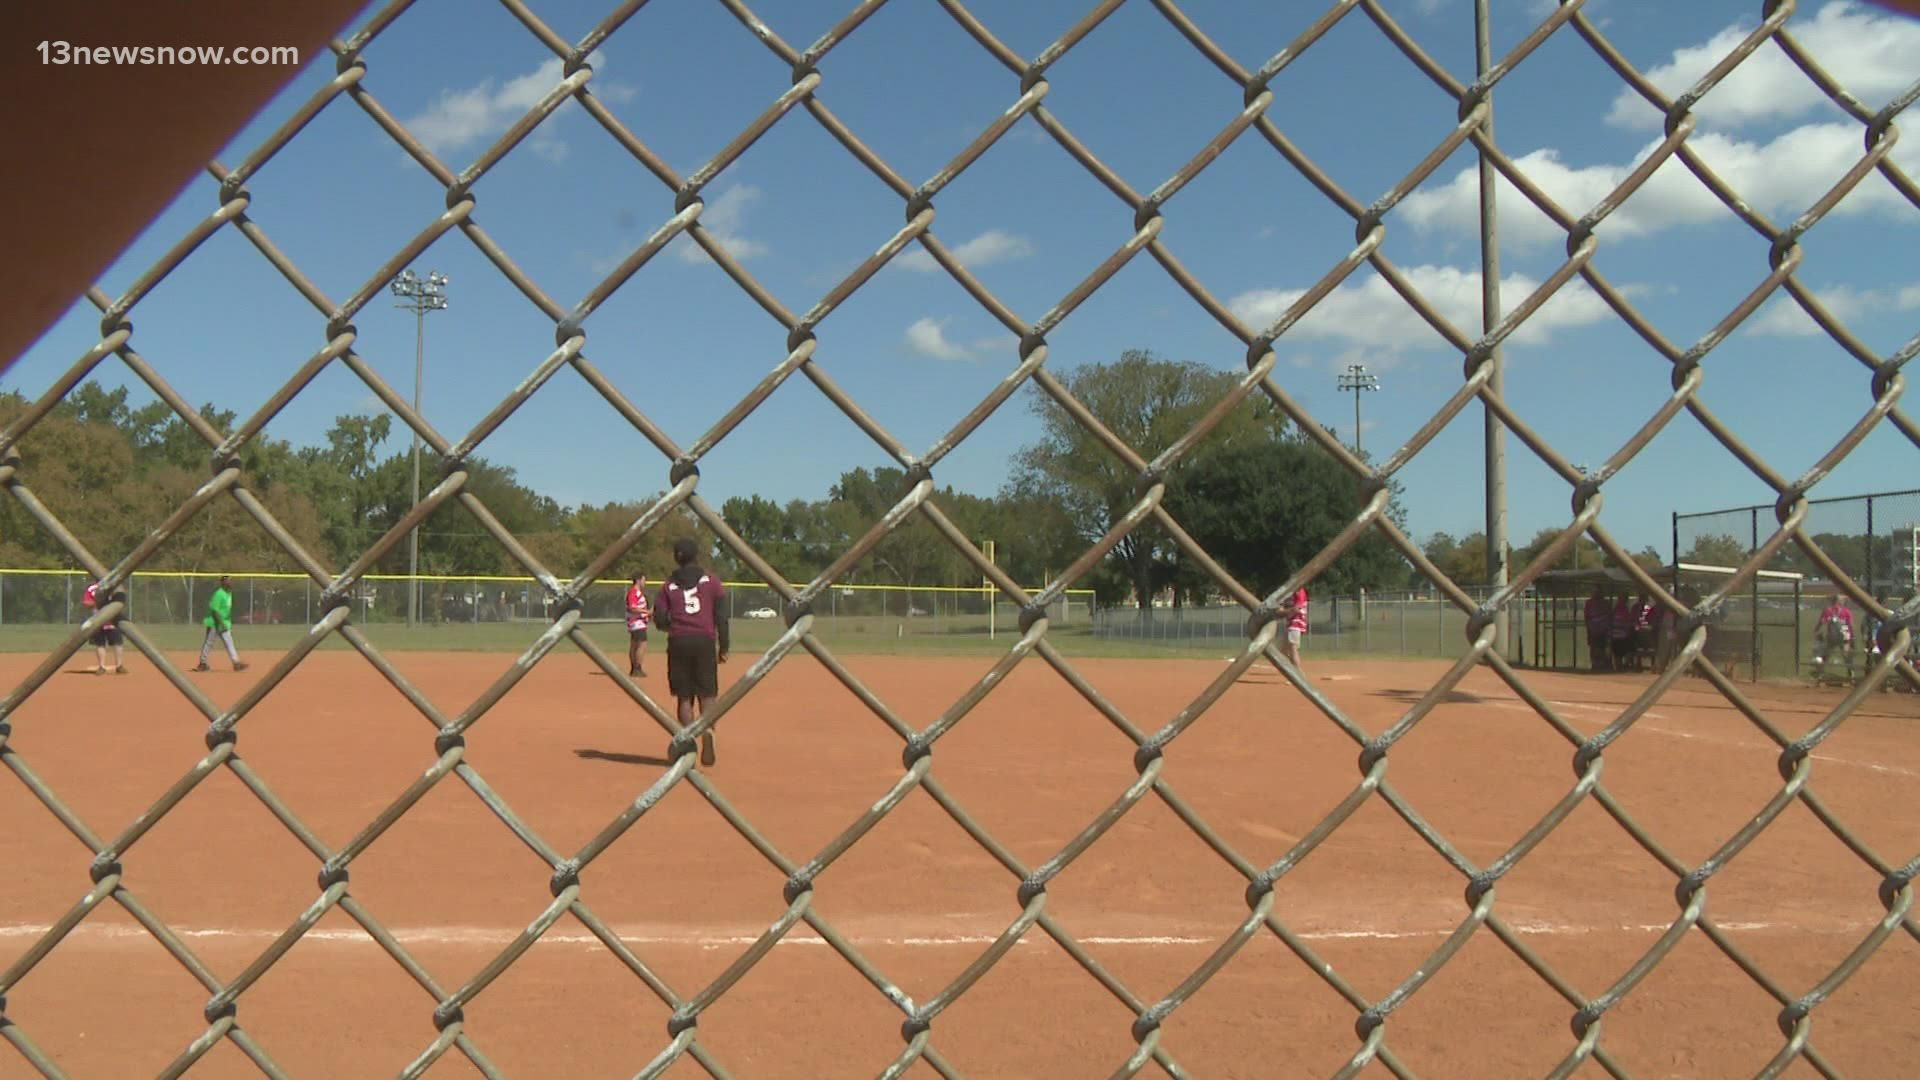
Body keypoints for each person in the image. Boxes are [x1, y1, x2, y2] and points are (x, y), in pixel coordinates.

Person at [653, 538, 727, 766]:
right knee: (708, 693)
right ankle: (709, 730)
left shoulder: (669, 586)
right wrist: (724, 646)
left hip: (679, 641)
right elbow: (722, 617)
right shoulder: (711, 582)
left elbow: (659, 618)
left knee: (684, 696)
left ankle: (688, 741)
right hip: (704, 641)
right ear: (697, 556)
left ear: (677, 558)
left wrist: (671, 624)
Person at [195, 575, 250, 673]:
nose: (230, 582)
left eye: (231, 581)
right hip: (214, 623)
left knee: (229, 643)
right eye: (228, 581)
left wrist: (225, 623)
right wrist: (221, 623)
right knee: (209, 643)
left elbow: (226, 609)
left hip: (224, 623)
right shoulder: (218, 594)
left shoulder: (229, 593)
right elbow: (215, 611)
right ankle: (202, 664)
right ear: (223, 583)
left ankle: (236, 663)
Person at [81, 578, 128, 675]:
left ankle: (119, 666)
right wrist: (96, 603)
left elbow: (121, 600)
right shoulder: (92, 589)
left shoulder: (114, 587)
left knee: (118, 643)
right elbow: (86, 602)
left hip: (113, 620)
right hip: (98, 621)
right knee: (100, 644)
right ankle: (101, 666)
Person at [1812, 592, 1854, 685]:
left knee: (1825, 656)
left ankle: (1820, 675)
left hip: (1832, 635)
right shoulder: (1846, 611)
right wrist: (1851, 638)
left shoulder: (1828, 610)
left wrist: (1816, 630)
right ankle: (1851, 676)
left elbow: (1822, 622)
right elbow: (1850, 626)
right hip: (1844, 635)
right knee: (1847, 656)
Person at [625, 569, 652, 677]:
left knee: (635, 645)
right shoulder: (634, 592)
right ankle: (637, 668)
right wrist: (647, 612)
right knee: (641, 645)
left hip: (637, 623)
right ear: (638, 580)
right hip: (637, 623)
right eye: (643, 580)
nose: (644, 582)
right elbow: (632, 607)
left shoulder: (637, 592)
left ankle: (634, 668)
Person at [1278, 584, 1308, 668]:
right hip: (1290, 624)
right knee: (1282, 651)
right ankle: (1293, 668)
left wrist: (1285, 613)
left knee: (1293, 648)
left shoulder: (1300, 591)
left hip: (1296, 624)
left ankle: (1298, 673)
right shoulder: (1291, 593)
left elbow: (1297, 609)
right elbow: (1283, 606)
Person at [1583, 585, 1611, 672]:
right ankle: (1595, 664)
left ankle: (1602, 664)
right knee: (1593, 647)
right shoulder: (1589, 603)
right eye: (1594, 591)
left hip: (1603, 630)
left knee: (1602, 647)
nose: (1596, 593)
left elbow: (1609, 616)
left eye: (1597, 591)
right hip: (1593, 630)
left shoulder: (1605, 603)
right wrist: (1588, 628)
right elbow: (1586, 617)